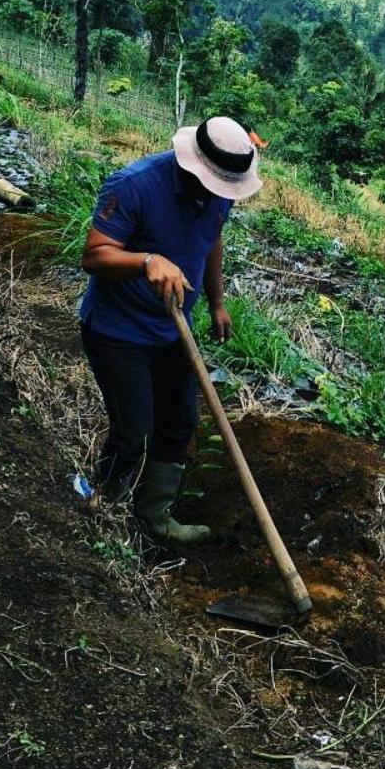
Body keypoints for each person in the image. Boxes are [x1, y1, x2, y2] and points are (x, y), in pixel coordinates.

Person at [79, 116, 263, 544]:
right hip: (117, 330)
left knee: (179, 421)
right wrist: (147, 261)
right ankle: (106, 515)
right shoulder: (134, 184)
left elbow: (211, 238)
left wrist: (216, 302)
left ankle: (154, 517)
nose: (219, 194)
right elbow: (94, 255)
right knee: (134, 432)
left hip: (171, 329)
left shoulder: (219, 193)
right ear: (192, 165)